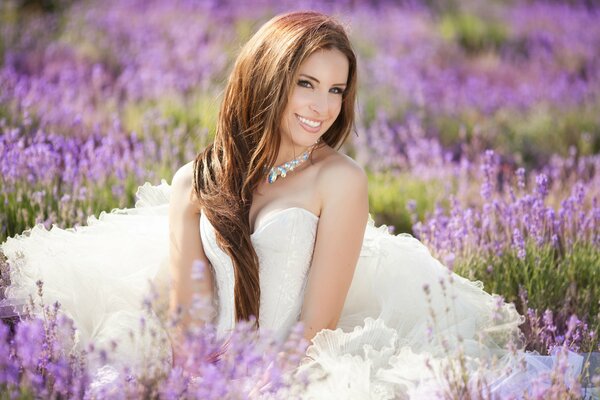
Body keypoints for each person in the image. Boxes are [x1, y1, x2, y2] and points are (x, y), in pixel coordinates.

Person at [1, 11, 587, 399]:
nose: (323, 106)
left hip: (297, 371)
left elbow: (317, 328)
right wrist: (199, 380)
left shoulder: (340, 181)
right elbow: (186, 320)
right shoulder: (195, 180)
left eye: (336, 89)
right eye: (306, 83)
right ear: (266, 78)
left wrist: (257, 383)